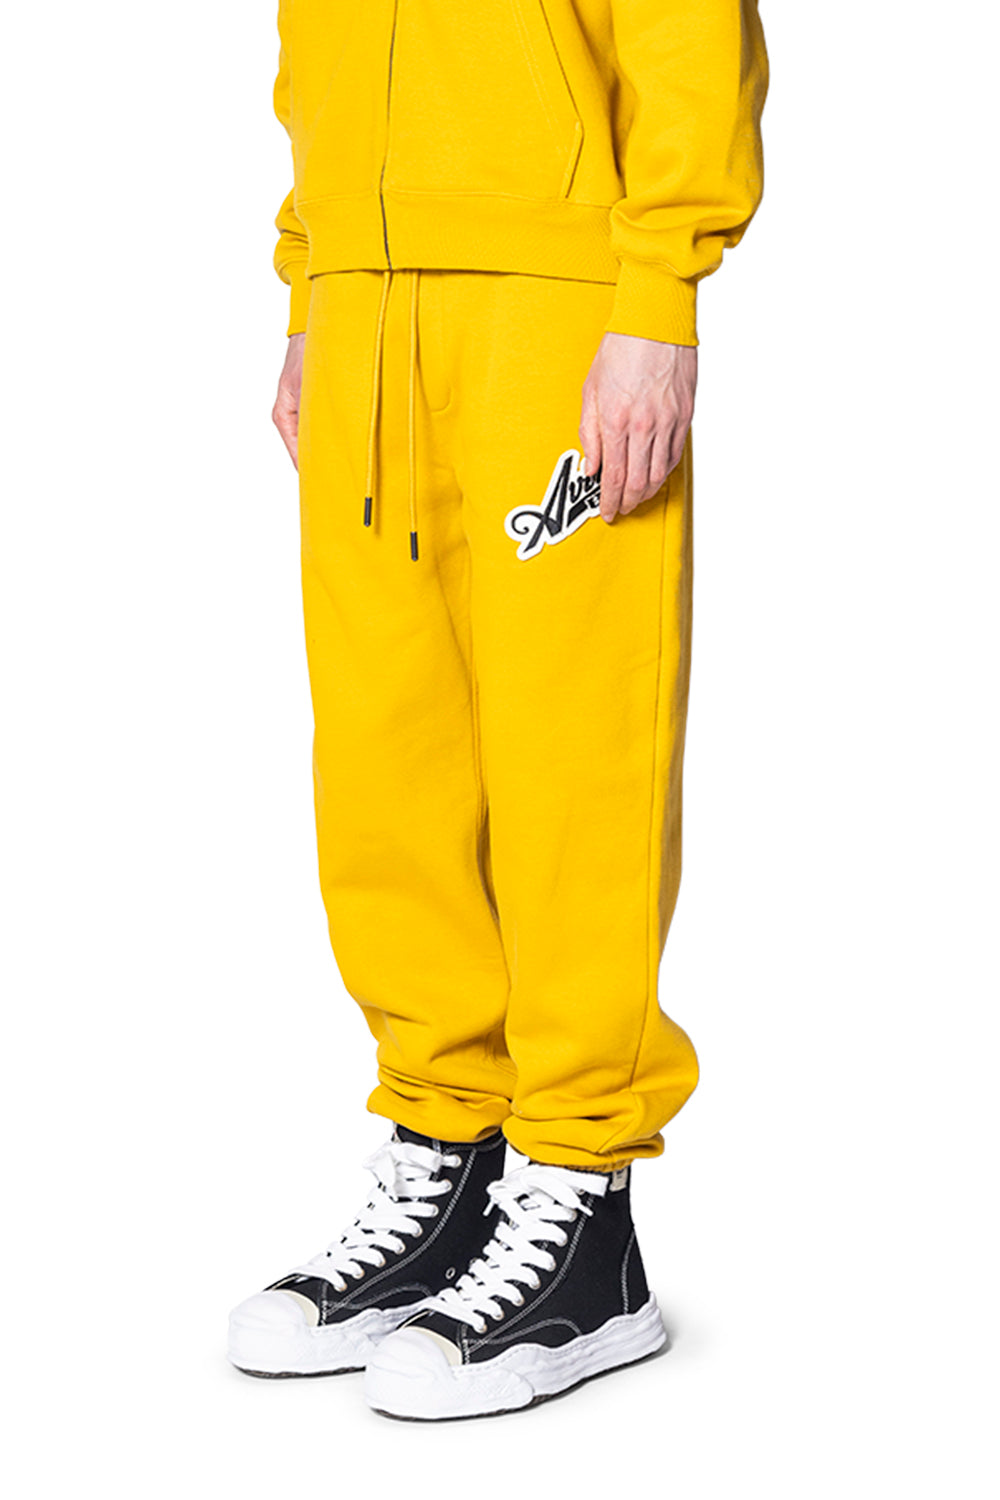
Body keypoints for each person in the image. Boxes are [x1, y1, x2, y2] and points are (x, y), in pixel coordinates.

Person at [228, 0, 768, 1420]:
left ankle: (582, 1212)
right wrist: (314, 285)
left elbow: (686, 33)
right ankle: (446, 1153)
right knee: (385, 755)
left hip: (555, 292)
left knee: (571, 745)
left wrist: (656, 298)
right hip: (366, 293)